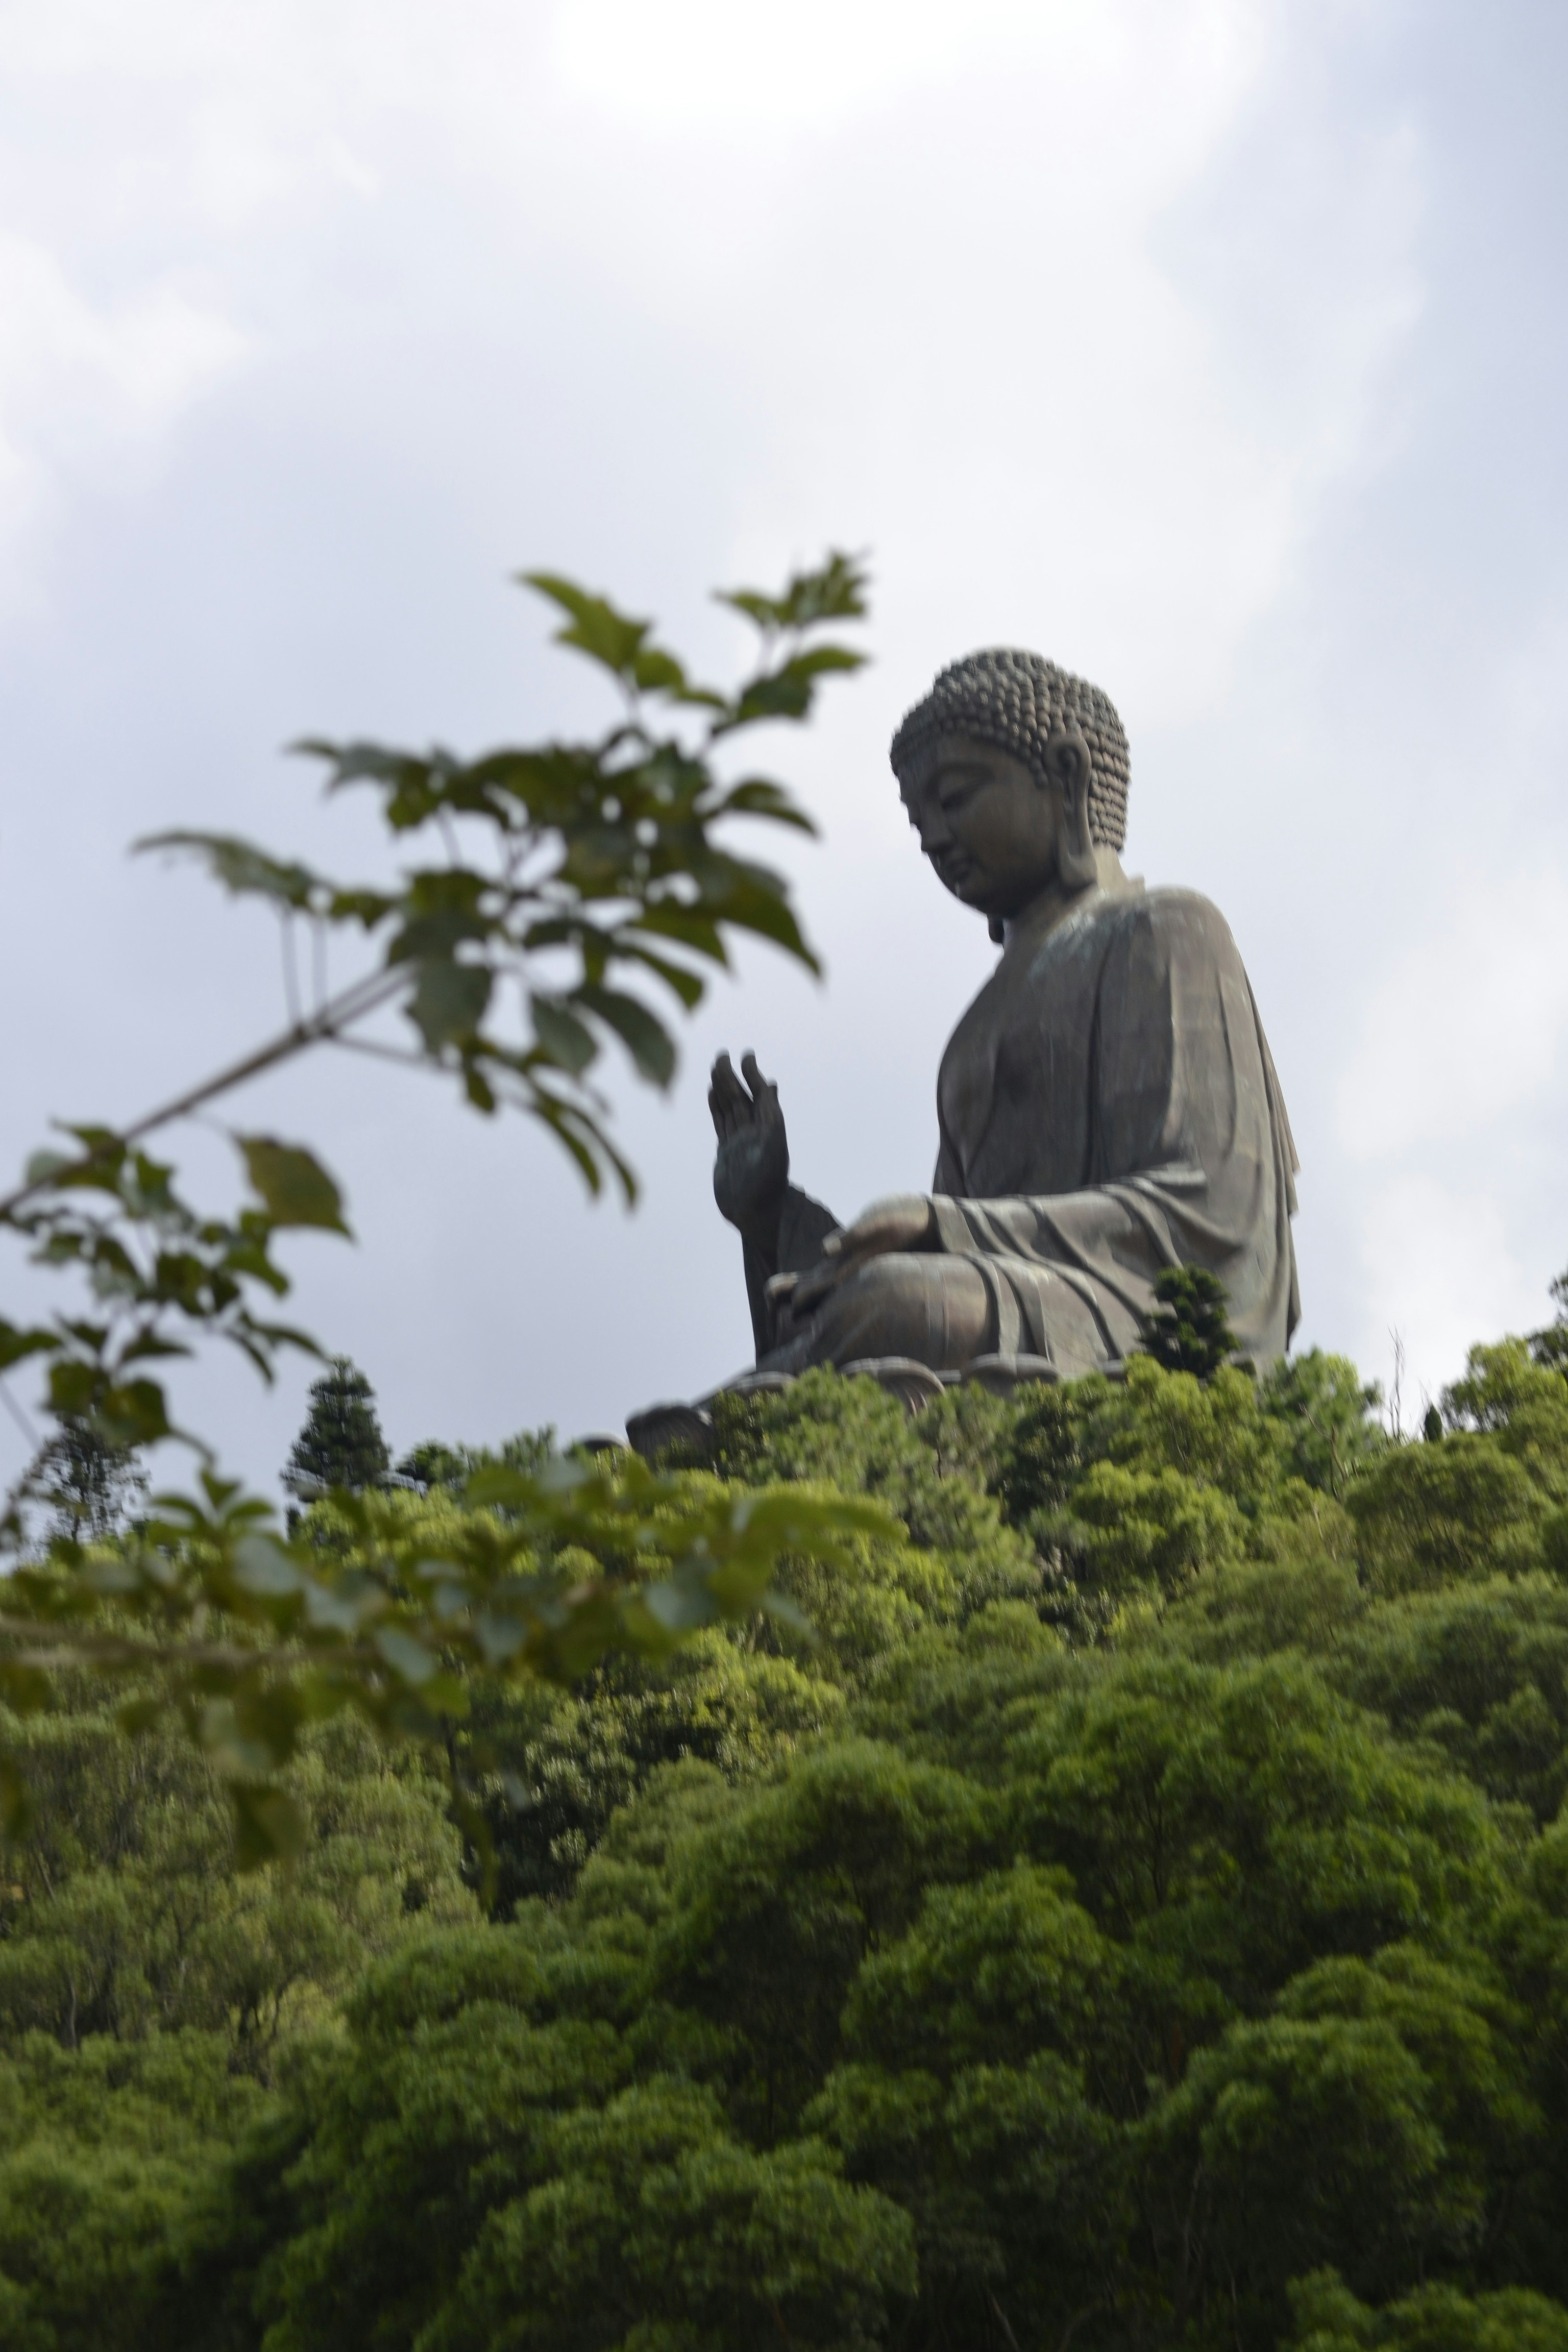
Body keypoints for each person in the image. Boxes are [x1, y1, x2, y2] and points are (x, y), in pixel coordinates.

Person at [709, 647, 1298, 1382]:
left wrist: (941, 1224)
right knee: (860, 1305)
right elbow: (941, 1251)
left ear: (1066, 773)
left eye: (954, 800)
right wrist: (773, 1217)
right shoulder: (975, 1030)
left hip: (1142, 1312)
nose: (931, 836)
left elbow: (1211, 1213)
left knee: (890, 1305)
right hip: (1014, 1300)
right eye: (917, 818)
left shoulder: (1167, 930)